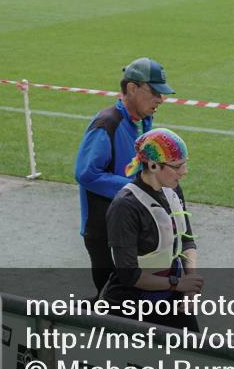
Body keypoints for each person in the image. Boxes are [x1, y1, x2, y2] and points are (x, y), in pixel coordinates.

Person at [75, 57, 175, 297]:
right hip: (105, 231)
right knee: (116, 296)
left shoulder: (143, 121)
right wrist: (136, 188)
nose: (160, 99)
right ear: (132, 88)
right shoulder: (107, 123)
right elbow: (86, 173)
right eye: (154, 93)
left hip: (132, 225)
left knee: (133, 296)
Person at [102, 128, 202, 330]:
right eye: (177, 166)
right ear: (153, 165)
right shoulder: (125, 207)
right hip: (129, 306)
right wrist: (177, 283)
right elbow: (129, 275)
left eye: (185, 164)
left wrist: (189, 283)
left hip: (170, 296)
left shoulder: (172, 190)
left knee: (194, 352)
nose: (184, 171)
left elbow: (187, 240)